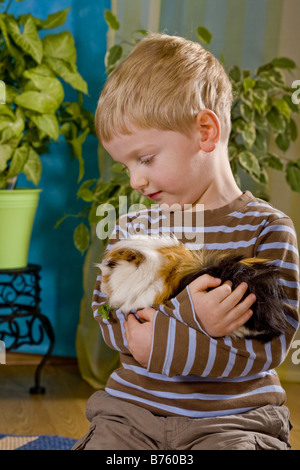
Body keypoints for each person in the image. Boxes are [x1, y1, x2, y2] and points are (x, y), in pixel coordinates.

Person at [73, 33, 299, 450]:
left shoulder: (268, 229)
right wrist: (188, 315)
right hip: (131, 415)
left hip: (233, 420)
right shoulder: (131, 228)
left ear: (205, 132)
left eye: (145, 159)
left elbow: (269, 349)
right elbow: (107, 314)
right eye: (126, 167)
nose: (135, 180)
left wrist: (168, 333)